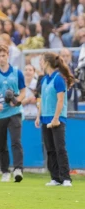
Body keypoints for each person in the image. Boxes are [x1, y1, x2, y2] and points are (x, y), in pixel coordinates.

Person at [0, 44, 25, 182]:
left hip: (14, 112)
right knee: (1, 144)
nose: (1, 58)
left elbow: (23, 91)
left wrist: (17, 100)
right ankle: (5, 171)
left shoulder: (17, 72)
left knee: (16, 141)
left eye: (3, 55)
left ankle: (18, 169)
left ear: (8, 55)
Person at [35, 52, 74, 187]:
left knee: (60, 148)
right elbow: (42, 99)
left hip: (57, 118)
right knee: (50, 149)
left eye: (41, 60)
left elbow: (60, 100)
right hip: (45, 118)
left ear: (46, 62)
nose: (40, 63)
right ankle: (55, 178)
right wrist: (38, 116)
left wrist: (56, 118)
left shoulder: (58, 78)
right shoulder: (44, 79)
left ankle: (66, 178)